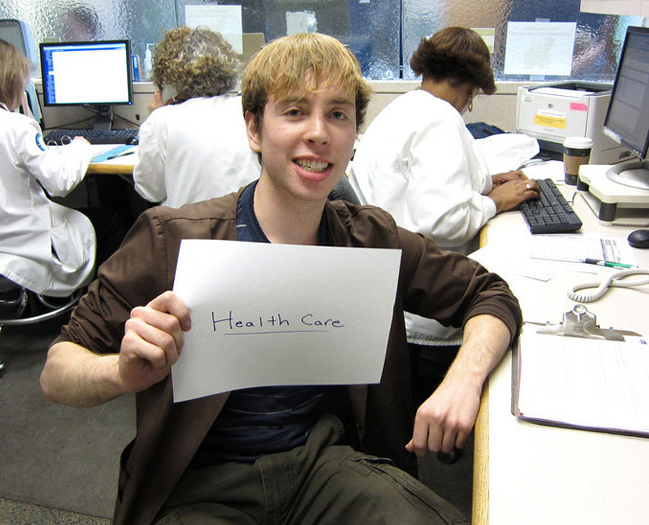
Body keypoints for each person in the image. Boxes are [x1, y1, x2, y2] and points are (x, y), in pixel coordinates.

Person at [40, 32, 522, 524]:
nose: (319, 133)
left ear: (355, 134)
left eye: (338, 114)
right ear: (254, 129)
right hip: (206, 484)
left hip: (324, 465)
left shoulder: (371, 238)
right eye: (294, 112)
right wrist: (119, 372)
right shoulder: (172, 240)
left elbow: (491, 295)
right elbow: (58, 370)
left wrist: (462, 380)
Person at [0, 38, 120, 297]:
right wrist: (80, 148)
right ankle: (96, 307)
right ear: (10, 79)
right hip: (26, 247)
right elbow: (59, 182)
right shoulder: (15, 126)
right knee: (111, 221)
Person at [350, 26, 540, 255]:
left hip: (385, 249)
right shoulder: (440, 118)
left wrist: (487, 183)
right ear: (471, 89)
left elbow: (418, 185)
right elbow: (444, 222)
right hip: (419, 266)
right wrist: (497, 201)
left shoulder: (407, 105)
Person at [132, 26, 261, 208]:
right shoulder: (248, 112)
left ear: (169, 80)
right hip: (246, 228)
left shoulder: (162, 120)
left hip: (189, 231)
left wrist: (154, 118)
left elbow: (149, 191)